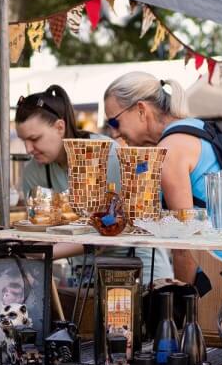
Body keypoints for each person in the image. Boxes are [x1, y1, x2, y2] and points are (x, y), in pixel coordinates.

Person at [103, 72, 222, 297]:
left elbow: (183, 247)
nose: (114, 133)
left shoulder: (170, 150)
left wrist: (180, 306)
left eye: (114, 122)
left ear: (141, 110)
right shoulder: (194, 128)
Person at [15, 85, 173, 285]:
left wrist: (43, 252)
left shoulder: (107, 153)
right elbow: (39, 227)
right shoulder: (33, 171)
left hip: (140, 271)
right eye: (23, 141)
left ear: (59, 127)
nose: (28, 149)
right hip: (87, 276)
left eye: (34, 138)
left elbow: (111, 228)